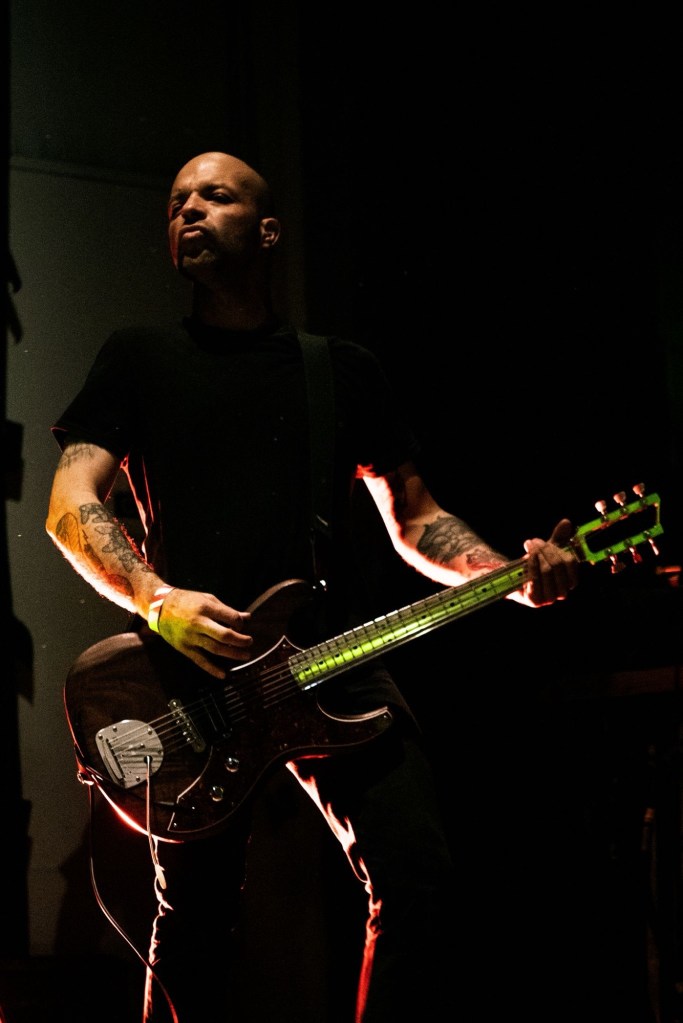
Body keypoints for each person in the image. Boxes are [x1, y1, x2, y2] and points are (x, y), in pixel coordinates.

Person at [45, 151, 580, 1023]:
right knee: (194, 923)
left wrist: (506, 577)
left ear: (267, 231)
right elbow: (70, 501)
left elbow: (416, 517)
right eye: (176, 201)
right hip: (195, 677)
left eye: (214, 196)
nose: (187, 210)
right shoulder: (138, 357)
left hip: (334, 655)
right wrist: (156, 598)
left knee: (418, 879)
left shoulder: (338, 368)